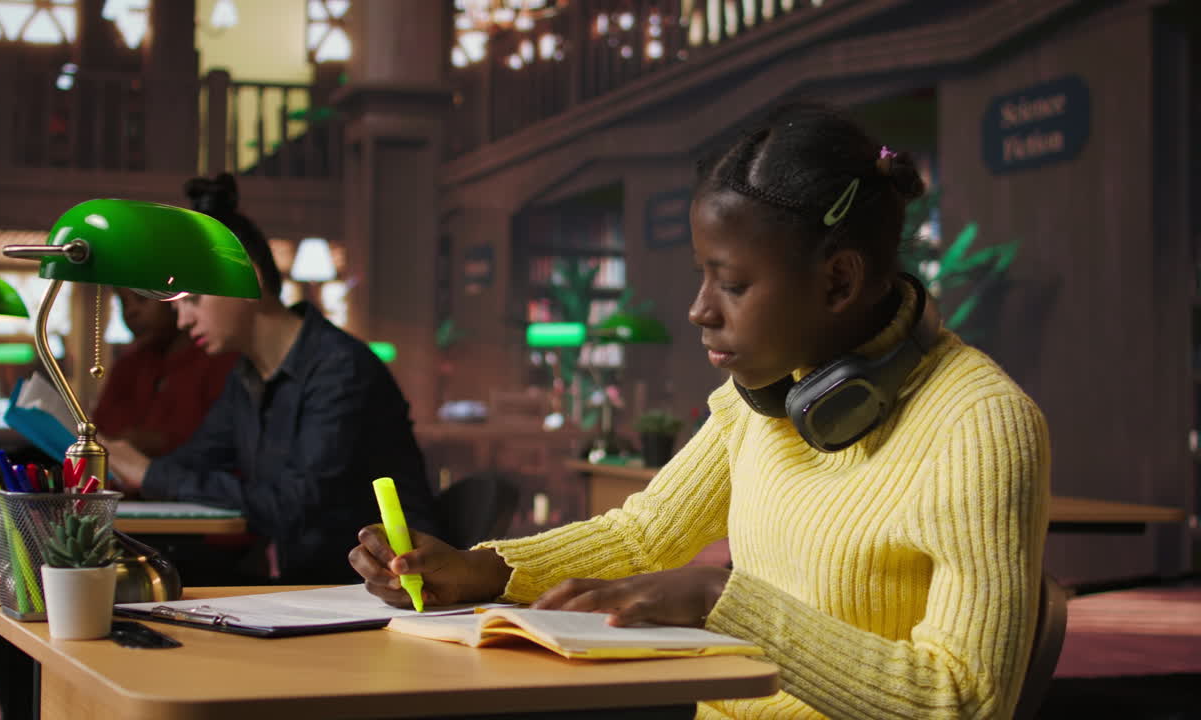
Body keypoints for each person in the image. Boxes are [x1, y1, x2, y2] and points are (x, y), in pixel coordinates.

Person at [349, 104, 1050, 719]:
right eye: (702, 275)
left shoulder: (979, 423)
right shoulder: (768, 397)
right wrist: (480, 569)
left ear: (839, 280)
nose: (699, 310)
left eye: (733, 284)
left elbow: (962, 701)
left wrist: (724, 600)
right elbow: (643, 536)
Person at [107, 174, 441, 585]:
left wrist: (151, 474)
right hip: (306, 581)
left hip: (383, 588)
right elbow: (196, 459)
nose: (183, 320)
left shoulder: (340, 369)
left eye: (193, 299)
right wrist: (120, 460)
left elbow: (295, 505)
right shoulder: (247, 375)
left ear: (249, 278)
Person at [92, 286, 238, 458]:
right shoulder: (127, 365)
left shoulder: (218, 360)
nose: (131, 312)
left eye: (142, 298)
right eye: (123, 303)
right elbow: (102, 429)